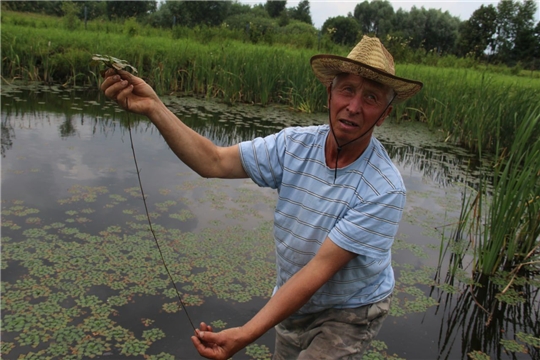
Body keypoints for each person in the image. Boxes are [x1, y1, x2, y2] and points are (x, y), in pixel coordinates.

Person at [101, 35, 423, 360]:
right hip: (293, 299)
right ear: (330, 93)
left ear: (383, 114)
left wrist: (246, 333)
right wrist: (155, 107)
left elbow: (319, 270)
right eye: (347, 90)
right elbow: (214, 161)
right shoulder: (294, 146)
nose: (354, 106)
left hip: (350, 311)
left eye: (371, 97)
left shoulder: (384, 189)